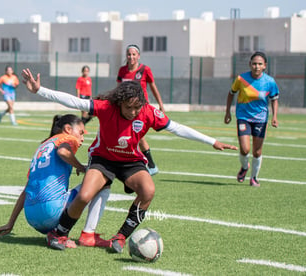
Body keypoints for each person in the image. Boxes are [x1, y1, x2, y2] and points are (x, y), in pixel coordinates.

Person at [21, 68, 237, 252]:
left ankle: (121, 236)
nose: (133, 112)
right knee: (85, 195)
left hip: (130, 161)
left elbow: (176, 128)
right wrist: (39, 90)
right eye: (128, 108)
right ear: (119, 103)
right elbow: (74, 101)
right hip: (103, 158)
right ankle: (58, 234)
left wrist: (212, 141)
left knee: (148, 191)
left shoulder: (149, 112)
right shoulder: (107, 107)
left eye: (137, 107)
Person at [0, 114, 86, 248]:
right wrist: (82, 168)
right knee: (101, 181)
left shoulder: (42, 147)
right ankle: (82, 235)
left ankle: (54, 232)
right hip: (51, 212)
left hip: (32, 218)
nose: (82, 138)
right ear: (68, 129)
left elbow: (26, 190)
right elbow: (63, 152)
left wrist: (10, 223)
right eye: (81, 133)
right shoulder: (69, 138)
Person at [224, 51, 279, 187]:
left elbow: (274, 99)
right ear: (250, 64)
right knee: (244, 149)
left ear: (265, 66)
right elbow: (231, 94)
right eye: (254, 64)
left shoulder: (270, 82)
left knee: (257, 151)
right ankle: (244, 167)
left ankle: (254, 178)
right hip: (243, 117)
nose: (256, 66)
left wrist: (275, 117)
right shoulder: (241, 79)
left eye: (260, 64)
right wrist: (227, 112)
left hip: (261, 119)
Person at [117, 44, 165, 175]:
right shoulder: (122, 71)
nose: (131, 57)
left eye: (133, 54)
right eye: (129, 54)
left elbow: (153, 87)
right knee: (131, 135)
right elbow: (119, 89)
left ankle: (149, 165)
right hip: (126, 109)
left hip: (140, 109)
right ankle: (146, 164)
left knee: (137, 135)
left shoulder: (145, 69)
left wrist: (160, 104)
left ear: (138, 56)